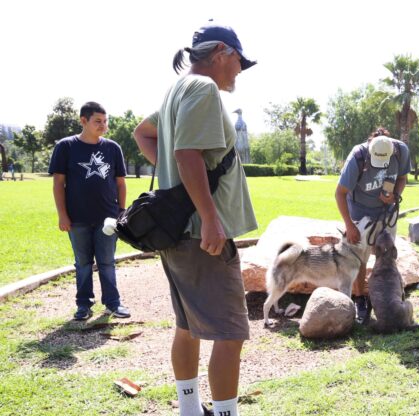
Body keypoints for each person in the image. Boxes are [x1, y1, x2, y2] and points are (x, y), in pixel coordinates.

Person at [133, 22, 257, 416]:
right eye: (239, 61)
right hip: (201, 236)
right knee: (230, 332)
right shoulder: (203, 89)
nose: (239, 70)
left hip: (176, 234)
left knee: (187, 325)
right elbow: (187, 153)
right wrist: (208, 216)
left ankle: (190, 409)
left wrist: (179, 184)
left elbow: (144, 134)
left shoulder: (176, 90)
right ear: (222, 52)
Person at [48, 102, 130, 321]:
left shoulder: (113, 148)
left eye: (105, 121)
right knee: (83, 264)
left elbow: (121, 184)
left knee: (107, 262)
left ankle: (113, 303)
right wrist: (62, 215)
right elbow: (58, 184)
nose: (103, 126)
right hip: (77, 219)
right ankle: (83, 305)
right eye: (97, 121)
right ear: (83, 121)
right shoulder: (66, 146)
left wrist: (121, 212)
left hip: (108, 218)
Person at [335, 127, 410, 323]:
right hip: (361, 213)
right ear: (370, 150)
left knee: (387, 256)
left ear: (392, 151)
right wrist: (350, 225)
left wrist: (395, 196)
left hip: (386, 213)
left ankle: (390, 297)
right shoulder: (358, 156)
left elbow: (402, 178)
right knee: (360, 258)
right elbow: (339, 193)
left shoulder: (401, 151)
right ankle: (360, 299)